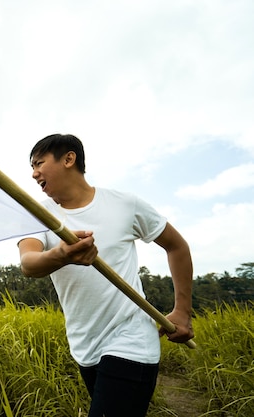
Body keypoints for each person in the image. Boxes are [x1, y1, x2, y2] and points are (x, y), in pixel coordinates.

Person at [17, 134, 194, 417]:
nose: (33, 173)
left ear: (68, 158)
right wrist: (61, 254)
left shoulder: (125, 204)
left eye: (39, 163)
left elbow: (177, 246)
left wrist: (182, 311)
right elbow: (29, 264)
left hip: (131, 338)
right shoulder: (35, 214)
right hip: (84, 344)